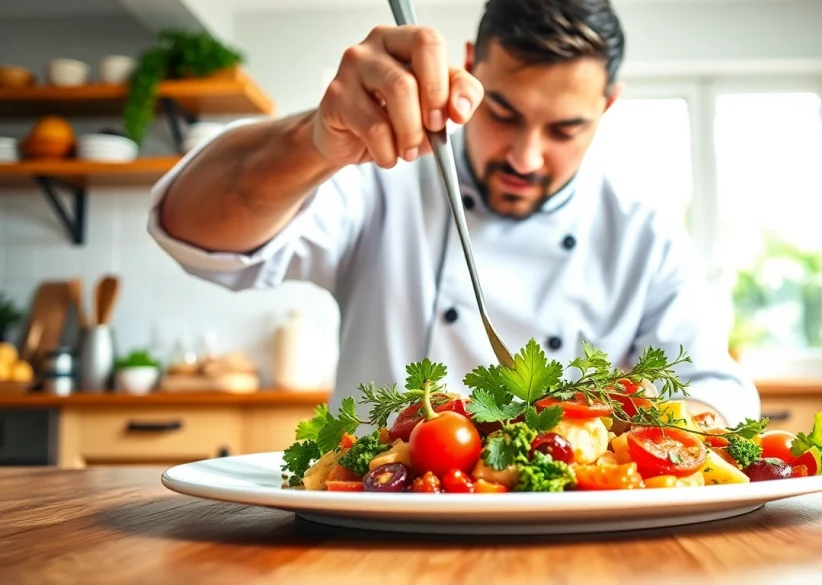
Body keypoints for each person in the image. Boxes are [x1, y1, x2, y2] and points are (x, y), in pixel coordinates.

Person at [147, 0, 760, 426]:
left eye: (566, 129)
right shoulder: (383, 173)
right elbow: (194, 231)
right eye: (504, 114)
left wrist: (632, 427)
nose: (525, 157)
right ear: (469, 62)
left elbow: (716, 389)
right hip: (375, 528)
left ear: (609, 105)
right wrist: (310, 141)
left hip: (570, 538)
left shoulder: (642, 234)